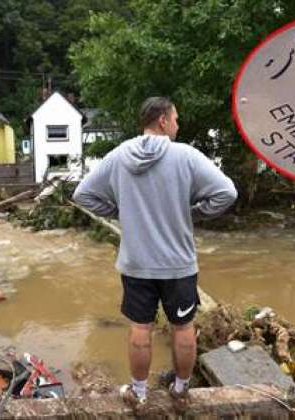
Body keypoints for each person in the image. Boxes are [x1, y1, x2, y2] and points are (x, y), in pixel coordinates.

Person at [72, 97, 237, 413]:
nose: (177, 124)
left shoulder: (119, 156)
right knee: (183, 327)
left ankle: (138, 393)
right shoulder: (186, 156)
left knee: (140, 328)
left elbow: (83, 195)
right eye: (175, 119)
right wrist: (193, 213)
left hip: (137, 264)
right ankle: (180, 390)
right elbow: (226, 193)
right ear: (162, 120)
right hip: (179, 265)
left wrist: (119, 211)